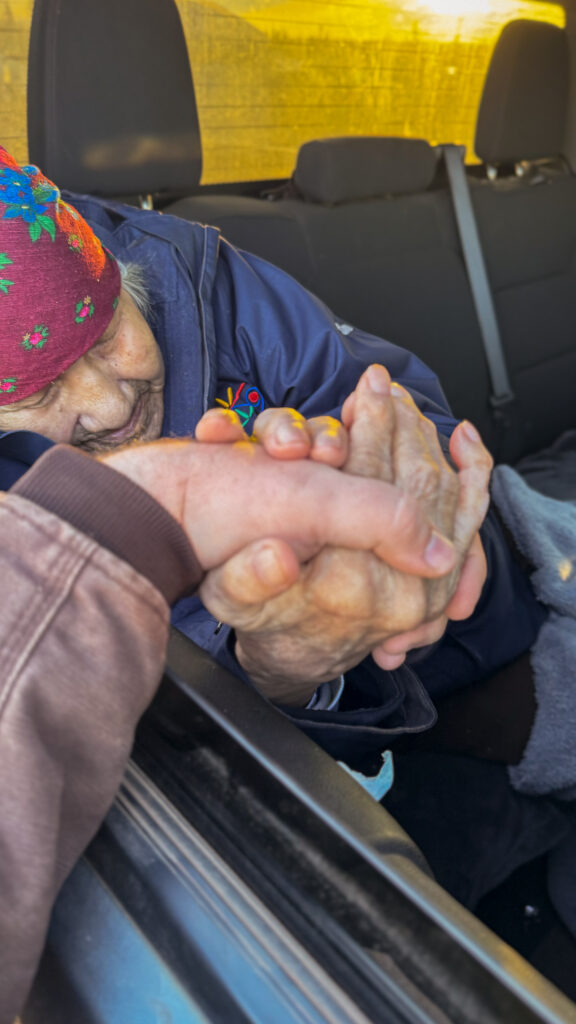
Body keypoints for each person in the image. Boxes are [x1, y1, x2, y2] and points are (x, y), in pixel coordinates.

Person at [0, 372, 480, 1023]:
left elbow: (399, 399)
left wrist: (432, 479)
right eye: (35, 388)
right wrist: (281, 668)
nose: (110, 403)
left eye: (109, 327)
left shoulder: (233, 295)